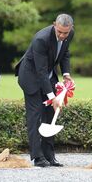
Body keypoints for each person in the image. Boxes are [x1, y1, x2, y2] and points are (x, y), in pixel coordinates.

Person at [15, 14, 74, 167]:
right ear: (55, 24)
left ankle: (49, 155)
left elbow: (65, 53)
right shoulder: (41, 39)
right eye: (59, 32)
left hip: (48, 75)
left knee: (51, 114)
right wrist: (51, 96)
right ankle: (38, 157)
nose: (62, 35)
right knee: (35, 116)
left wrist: (66, 74)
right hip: (31, 77)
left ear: (70, 29)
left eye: (65, 33)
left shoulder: (69, 34)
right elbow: (40, 71)